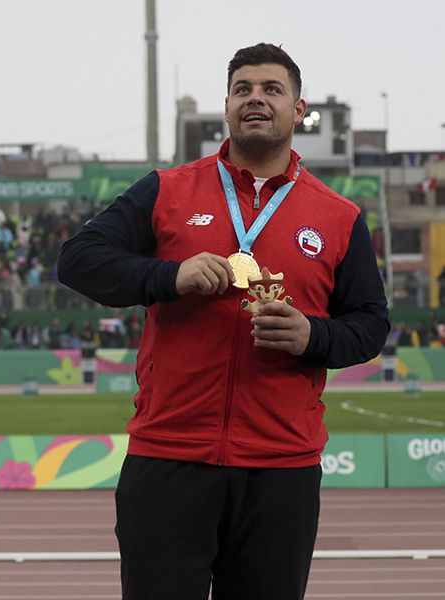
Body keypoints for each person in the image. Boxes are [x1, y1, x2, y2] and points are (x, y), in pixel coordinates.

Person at [57, 43, 389, 600]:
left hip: (282, 466)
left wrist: (314, 336)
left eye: (272, 89)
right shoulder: (166, 189)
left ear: (298, 109)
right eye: (243, 89)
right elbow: (77, 260)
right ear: (227, 107)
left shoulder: (339, 216)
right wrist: (170, 276)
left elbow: (372, 324)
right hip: (169, 455)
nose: (256, 98)